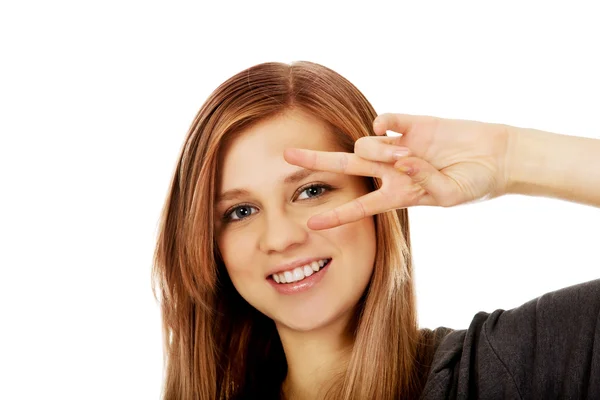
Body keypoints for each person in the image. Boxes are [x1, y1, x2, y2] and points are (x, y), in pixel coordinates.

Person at [152, 61, 600, 399]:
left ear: (378, 197)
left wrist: (510, 157)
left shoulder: (499, 371)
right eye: (240, 211)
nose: (280, 238)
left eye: (311, 191)